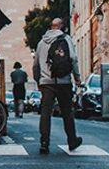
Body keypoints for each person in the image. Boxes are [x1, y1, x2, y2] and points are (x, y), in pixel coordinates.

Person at [33, 18, 82, 155]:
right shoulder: (66, 39)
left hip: (46, 83)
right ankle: (72, 140)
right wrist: (77, 78)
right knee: (67, 112)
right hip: (64, 81)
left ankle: (44, 143)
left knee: (45, 113)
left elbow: (36, 65)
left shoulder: (41, 43)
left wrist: (39, 81)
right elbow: (73, 59)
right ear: (61, 27)